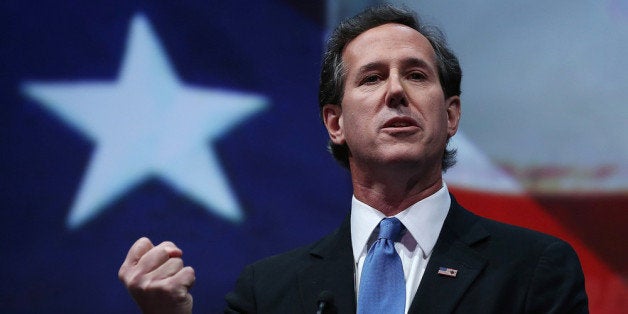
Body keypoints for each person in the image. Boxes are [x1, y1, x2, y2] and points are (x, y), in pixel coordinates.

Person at [118, 5, 588, 314]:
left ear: (450, 116)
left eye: (417, 74)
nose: (396, 91)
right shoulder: (269, 291)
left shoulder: (533, 269)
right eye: (371, 78)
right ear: (335, 123)